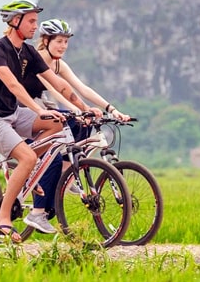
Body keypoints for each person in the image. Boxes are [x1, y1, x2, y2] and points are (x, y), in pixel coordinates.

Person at [0, 0, 96, 242]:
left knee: (59, 124)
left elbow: (59, 83)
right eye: (30, 21)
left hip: (13, 114)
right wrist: (39, 110)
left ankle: (28, 171)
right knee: (28, 155)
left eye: (36, 21)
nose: (34, 27)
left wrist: (84, 109)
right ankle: (2, 218)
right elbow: (13, 85)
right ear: (14, 21)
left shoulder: (27, 52)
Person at [22, 18, 131, 217]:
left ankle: (67, 173)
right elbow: (57, 91)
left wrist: (111, 109)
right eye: (59, 41)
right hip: (26, 111)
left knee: (84, 125)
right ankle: (53, 183)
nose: (63, 46)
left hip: (44, 109)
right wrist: (78, 110)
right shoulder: (36, 60)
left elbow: (81, 88)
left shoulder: (58, 64)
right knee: (72, 124)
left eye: (66, 41)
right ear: (46, 40)